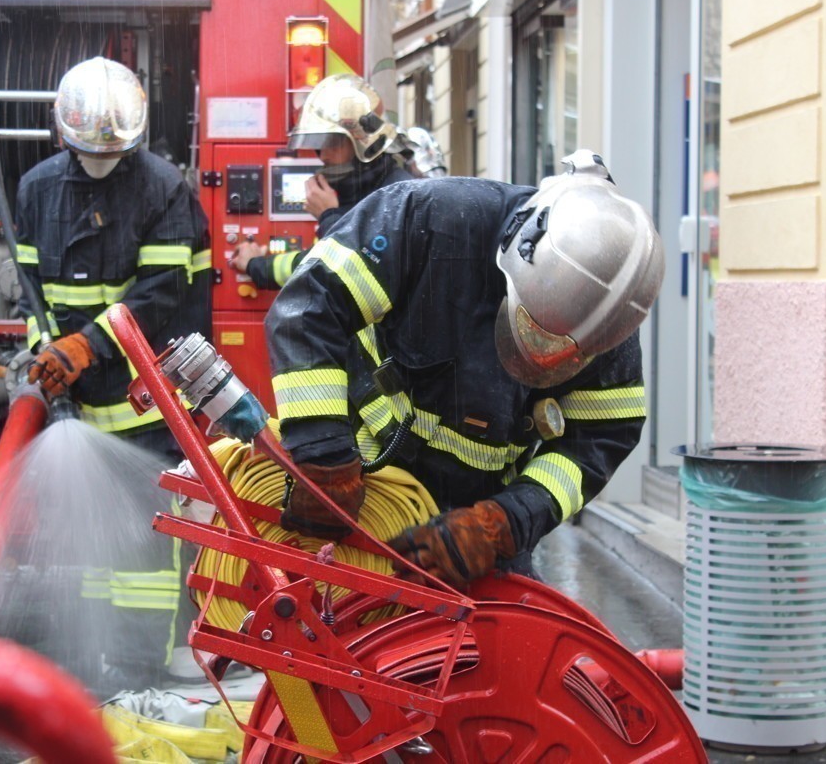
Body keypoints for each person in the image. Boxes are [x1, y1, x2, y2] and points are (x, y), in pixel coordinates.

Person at [265, 150, 664, 589]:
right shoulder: (429, 220)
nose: (541, 353)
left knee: (494, 648)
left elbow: (604, 431)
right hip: (366, 473)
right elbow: (309, 309)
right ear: (519, 253)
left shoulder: (603, 316)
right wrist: (324, 458)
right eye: (533, 330)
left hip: (477, 522)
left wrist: (507, 522)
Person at [14, 56, 211, 690]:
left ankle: (146, 666)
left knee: (148, 544)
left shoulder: (163, 188)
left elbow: (159, 298)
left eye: (112, 152)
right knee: (89, 543)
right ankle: (98, 666)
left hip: (146, 401)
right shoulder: (37, 189)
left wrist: (86, 346)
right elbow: (31, 292)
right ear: (62, 133)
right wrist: (45, 354)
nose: (100, 160)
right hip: (75, 401)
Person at [230, 74, 414, 290]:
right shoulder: (358, 190)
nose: (323, 155)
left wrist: (329, 217)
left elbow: (340, 273)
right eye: (319, 145)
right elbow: (313, 261)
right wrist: (258, 264)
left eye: (333, 142)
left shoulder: (395, 198)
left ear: (364, 142)